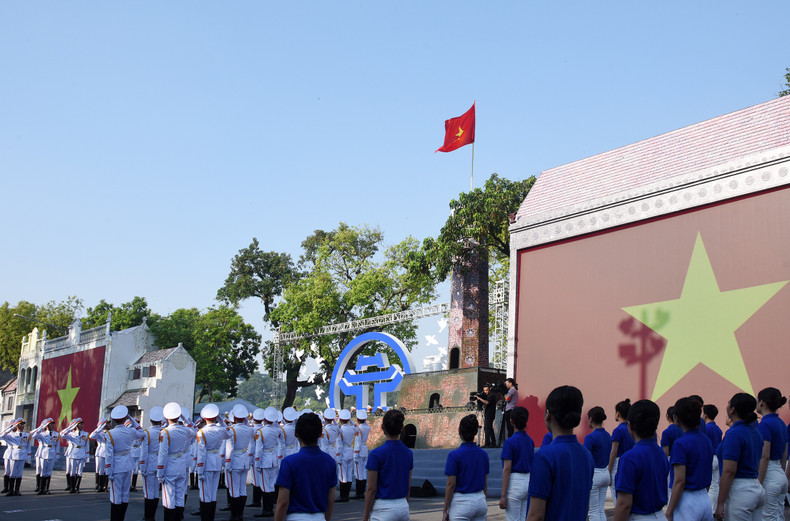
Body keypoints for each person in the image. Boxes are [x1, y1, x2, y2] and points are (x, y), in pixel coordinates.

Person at [526, 385, 594, 521]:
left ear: (548, 415)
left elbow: (536, 515)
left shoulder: (544, 456)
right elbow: (585, 507)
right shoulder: (587, 455)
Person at [274, 412, 338, 521]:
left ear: (296, 434)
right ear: (320, 434)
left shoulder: (289, 462)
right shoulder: (330, 462)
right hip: (319, 516)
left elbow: (282, 502)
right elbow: (330, 499)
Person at [613, 399, 669, 521]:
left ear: (630, 426)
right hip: (659, 515)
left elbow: (624, 504)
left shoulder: (629, 458)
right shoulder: (660, 452)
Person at [714, 393, 766, 520]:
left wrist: (720, 502)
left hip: (740, 492)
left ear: (732, 410)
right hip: (756, 487)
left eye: (729, 402)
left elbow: (729, 471)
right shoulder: (755, 432)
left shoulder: (734, 434)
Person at [664, 397, 714, 521]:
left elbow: (679, 481)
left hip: (686, 500)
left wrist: (669, 512)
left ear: (677, 417)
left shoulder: (680, 443)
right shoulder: (706, 440)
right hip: (704, 498)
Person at [362, 409, 413, 521]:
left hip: (383, 507)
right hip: (403, 504)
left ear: (383, 427)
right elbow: (408, 485)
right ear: (401, 427)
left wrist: (365, 516)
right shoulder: (408, 453)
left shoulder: (376, 454)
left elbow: (371, 489)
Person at [443, 414, 489, 521]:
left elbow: (451, 484)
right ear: (475, 432)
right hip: (480, 499)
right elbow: (485, 483)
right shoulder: (483, 455)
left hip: (461, 502)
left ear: (460, 432)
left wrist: (445, 509)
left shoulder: (454, 455)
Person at [105, 405, 145, 521]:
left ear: (114, 420)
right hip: (128, 464)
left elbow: (109, 454)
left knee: (116, 495)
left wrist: (109, 470)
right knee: (124, 494)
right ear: (124, 419)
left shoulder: (110, 434)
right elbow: (141, 432)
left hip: (116, 466)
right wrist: (131, 418)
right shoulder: (131, 431)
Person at [158, 402, 197, 521]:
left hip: (170, 465)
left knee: (169, 498)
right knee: (180, 496)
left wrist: (160, 472)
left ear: (166, 417)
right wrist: (185, 419)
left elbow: (163, 454)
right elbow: (194, 431)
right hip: (181, 463)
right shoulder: (185, 430)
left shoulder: (165, 432)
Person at [755, 387, 787, 521]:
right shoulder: (781, 423)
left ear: (761, 403)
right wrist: (782, 474)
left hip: (769, 476)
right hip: (780, 474)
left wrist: (759, 483)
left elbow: (765, 456)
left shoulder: (764, 424)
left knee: (768, 517)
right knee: (779, 515)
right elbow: (784, 454)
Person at [196, 403, 232, 521]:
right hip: (216, 461)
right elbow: (229, 434)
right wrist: (221, 421)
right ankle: (211, 518)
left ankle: (205, 518)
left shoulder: (201, 432)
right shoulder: (220, 430)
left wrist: (199, 470)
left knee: (205, 494)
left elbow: (201, 453)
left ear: (205, 418)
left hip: (206, 463)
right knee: (212, 494)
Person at [499, 406, 534, 521]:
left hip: (515, 482)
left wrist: (503, 495)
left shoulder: (509, 442)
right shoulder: (530, 441)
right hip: (528, 480)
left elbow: (507, 469)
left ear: (511, 421)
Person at [225, 404, 253, 521]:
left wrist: (227, 464)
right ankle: (240, 515)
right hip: (245, 459)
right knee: (242, 489)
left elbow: (230, 449)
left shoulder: (231, 430)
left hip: (235, 460)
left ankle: (234, 515)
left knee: (234, 489)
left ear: (234, 417)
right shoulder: (249, 429)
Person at [584, 406, 611, 521]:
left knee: (594, 510)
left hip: (595, 474)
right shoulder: (608, 435)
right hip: (605, 473)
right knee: (600, 509)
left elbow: (586, 459)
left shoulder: (590, 437)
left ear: (590, 419)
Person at [255, 407, 283, 517]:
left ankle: (266, 510)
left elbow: (259, 450)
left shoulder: (261, 432)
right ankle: (270, 509)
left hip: (265, 460)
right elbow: (280, 445)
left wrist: (257, 463)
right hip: (273, 458)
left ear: (265, 419)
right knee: (271, 485)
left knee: (265, 486)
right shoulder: (278, 431)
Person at [140, 405, 165, 521]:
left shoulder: (147, 433)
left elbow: (144, 452)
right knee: (155, 491)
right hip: (160, 462)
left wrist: (142, 467)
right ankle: (152, 515)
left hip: (150, 462)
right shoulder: (164, 432)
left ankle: (148, 516)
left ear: (150, 420)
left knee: (148, 491)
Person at [608, 398, 634, 508]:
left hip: (618, 464)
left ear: (618, 413)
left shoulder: (617, 431)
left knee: (618, 498)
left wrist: (608, 470)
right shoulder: (632, 429)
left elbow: (613, 452)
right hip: (632, 462)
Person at [0, 417, 31, 496]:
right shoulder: (11, 435)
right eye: (20, 424)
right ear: (17, 426)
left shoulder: (27, 435)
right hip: (14, 455)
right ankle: (10, 490)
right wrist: (11, 427)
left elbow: (28, 446)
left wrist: (28, 456)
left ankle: (17, 490)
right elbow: (1, 435)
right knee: (12, 473)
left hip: (23, 454)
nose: (22, 426)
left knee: (19, 474)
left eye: (23, 424)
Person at [31, 417, 59, 495]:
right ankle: (41, 489)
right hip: (43, 453)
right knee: (42, 471)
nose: (53, 426)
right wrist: (41, 427)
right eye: (50, 424)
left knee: (49, 472)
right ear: (46, 426)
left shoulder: (56, 434)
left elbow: (57, 445)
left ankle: (46, 489)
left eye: (53, 424)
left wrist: (57, 455)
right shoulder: (42, 434)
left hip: (52, 453)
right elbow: (33, 435)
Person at [61, 417, 89, 493]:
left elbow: (87, 445)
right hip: (73, 453)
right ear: (76, 425)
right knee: (72, 471)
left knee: (79, 472)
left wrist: (87, 455)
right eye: (80, 424)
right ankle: (72, 488)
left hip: (82, 452)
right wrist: (70, 427)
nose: (82, 425)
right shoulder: (71, 434)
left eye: (82, 424)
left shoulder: (86, 434)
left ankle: (77, 487)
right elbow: (62, 435)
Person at [703, 404, 723, 512]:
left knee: (708, 486)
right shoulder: (718, 429)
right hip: (717, 459)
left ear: (705, 415)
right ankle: (714, 509)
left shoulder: (706, 429)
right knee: (715, 485)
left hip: (709, 458)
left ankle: (709, 510)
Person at [337, 409, 359, 502]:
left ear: (341, 420)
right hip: (350, 450)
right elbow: (357, 428)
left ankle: (343, 496)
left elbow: (339, 445)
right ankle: (347, 494)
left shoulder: (340, 430)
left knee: (343, 475)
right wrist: (351, 421)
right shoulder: (352, 429)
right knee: (349, 474)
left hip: (343, 452)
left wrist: (338, 457)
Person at [354, 409, 371, 500]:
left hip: (359, 451)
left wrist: (355, 454)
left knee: (358, 472)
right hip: (365, 449)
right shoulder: (367, 427)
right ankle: (362, 492)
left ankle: (359, 493)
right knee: (364, 472)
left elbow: (357, 443)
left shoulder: (359, 429)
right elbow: (365, 425)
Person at [90, 418, 110, 492]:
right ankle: (99, 486)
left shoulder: (110, 432)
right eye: (108, 423)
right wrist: (99, 428)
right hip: (101, 453)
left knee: (107, 470)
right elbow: (91, 436)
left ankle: (105, 486)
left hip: (108, 453)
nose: (110, 425)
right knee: (100, 470)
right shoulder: (99, 433)